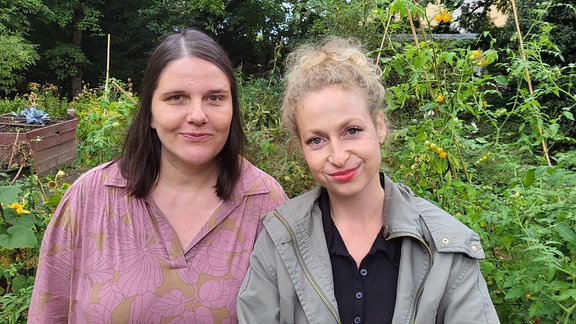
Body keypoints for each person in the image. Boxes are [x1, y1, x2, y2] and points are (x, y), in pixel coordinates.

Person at [28, 28, 287, 323]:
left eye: (214, 98)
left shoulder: (265, 202)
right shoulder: (90, 198)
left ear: (232, 108)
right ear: (150, 112)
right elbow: (49, 312)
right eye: (177, 97)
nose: (198, 115)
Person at [236, 37, 499, 323]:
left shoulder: (447, 247)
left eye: (351, 130)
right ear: (301, 147)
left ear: (379, 127)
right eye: (316, 139)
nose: (337, 156)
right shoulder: (278, 240)